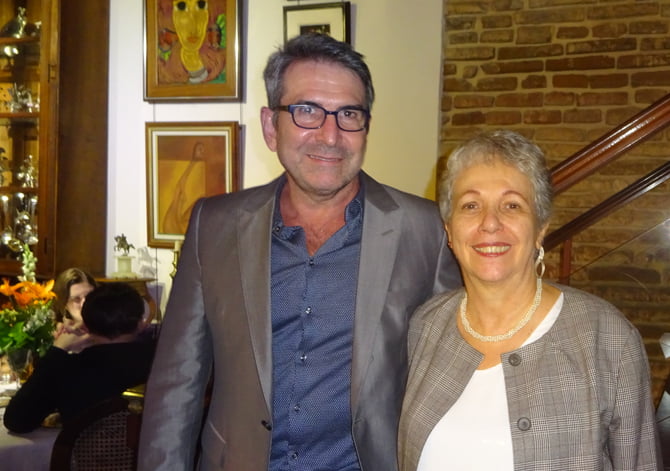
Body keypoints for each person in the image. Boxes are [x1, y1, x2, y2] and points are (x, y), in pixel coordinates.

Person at [138, 33, 461, 471]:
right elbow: (178, 383)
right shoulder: (214, 227)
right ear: (271, 126)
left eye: (349, 114)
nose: (330, 136)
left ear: (366, 128)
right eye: (307, 111)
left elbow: (453, 377)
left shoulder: (425, 230)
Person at [397, 130, 662, 470]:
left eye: (512, 205)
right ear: (449, 231)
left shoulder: (607, 337)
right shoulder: (426, 325)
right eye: (470, 205)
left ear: (540, 228)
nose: (490, 223)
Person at [3, 282, 156, 433]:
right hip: (151, 448)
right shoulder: (158, 359)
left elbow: (17, 421)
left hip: (87, 449)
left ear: (86, 326)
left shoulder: (69, 369)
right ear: (140, 324)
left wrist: (58, 349)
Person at [52, 267, 97, 353]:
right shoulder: (56, 334)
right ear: (64, 304)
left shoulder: (109, 332)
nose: (84, 303)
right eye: (76, 299)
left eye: (89, 296)